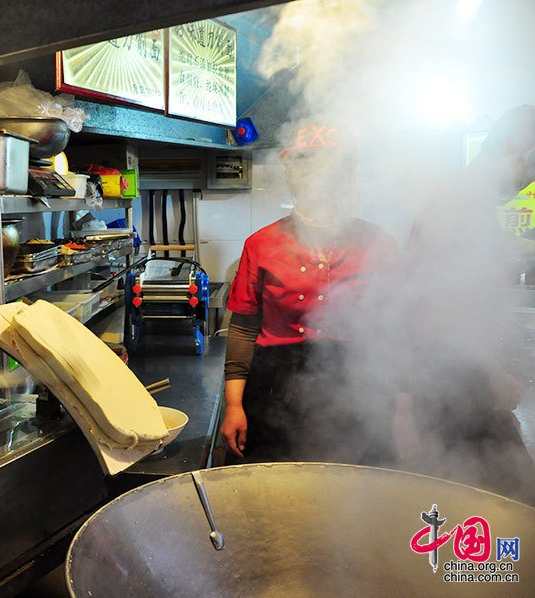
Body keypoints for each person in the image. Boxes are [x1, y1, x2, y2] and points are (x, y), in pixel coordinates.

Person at [220, 122, 413, 466]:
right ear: (290, 177)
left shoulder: (379, 244)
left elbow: (396, 332)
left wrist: (402, 410)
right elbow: (244, 329)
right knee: (274, 496)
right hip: (275, 389)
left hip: (360, 387)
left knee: (358, 495)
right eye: (304, 166)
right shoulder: (261, 244)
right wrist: (234, 406)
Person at [400, 104, 535, 504]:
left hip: (461, 378)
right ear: (519, 150)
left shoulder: (467, 199)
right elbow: (430, 306)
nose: (529, 180)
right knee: (505, 500)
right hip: (447, 384)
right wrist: (493, 371)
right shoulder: (455, 202)